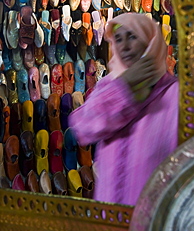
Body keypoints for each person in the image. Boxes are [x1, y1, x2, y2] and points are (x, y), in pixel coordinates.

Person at [69, 13, 178, 205]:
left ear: (150, 42)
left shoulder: (176, 93)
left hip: (151, 219)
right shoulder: (109, 85)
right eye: (118, 39)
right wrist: (124, 88)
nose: (124, 47)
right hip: (110, 214)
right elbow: (82, 127)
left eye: (133, 37)